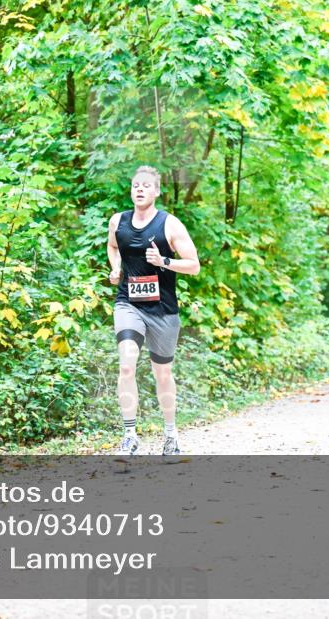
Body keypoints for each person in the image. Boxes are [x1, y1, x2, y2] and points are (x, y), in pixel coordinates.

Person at [107, 166, 200, 456]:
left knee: (162, 374)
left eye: (147, 185)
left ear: (157, 191)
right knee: (126, 362)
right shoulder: (118, 222)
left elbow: (194, 265)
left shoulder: (170, 224)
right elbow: (113, 247)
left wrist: (164, 262)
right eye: (136, 185)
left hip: (163, 311)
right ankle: (130, 435)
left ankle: (171, 436)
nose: (140, 189)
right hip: (128, 304)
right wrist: (116, 267)